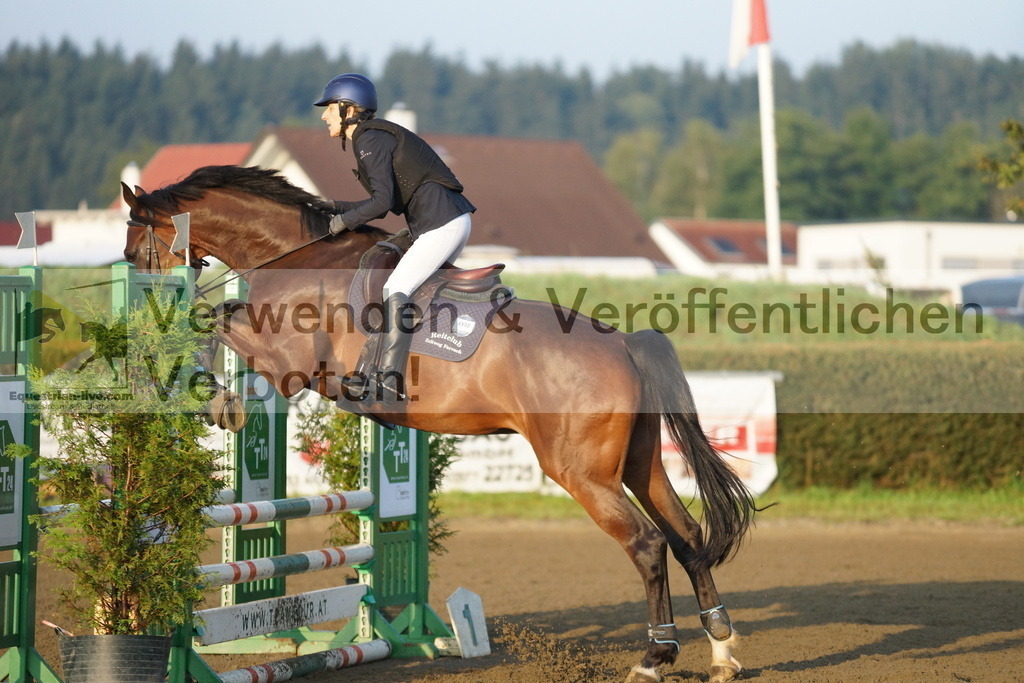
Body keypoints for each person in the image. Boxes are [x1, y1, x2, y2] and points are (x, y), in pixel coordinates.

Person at [314, 73, 476, 404]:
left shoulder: (368, 138)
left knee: (396, 288)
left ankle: (387, 381)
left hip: (441, 223)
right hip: (445, 221)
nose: (323, 115)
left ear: (348, 109)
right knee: (410, 289)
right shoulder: (373, 136)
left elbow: (382, 203)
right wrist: (328, 207)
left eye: (329, 108)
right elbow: (380, 200)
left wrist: (342, 222)